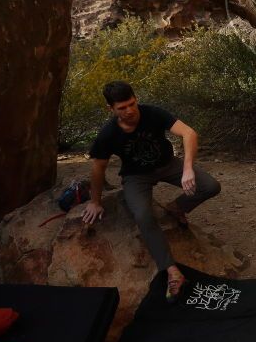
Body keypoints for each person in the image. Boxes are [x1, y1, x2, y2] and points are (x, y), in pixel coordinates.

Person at [81, 81, 221, 302]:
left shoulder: (152, 113)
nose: (129, 111)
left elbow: (189, 133)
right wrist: (95, 201)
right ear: (111, 109)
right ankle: (171, 270)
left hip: (168, 165)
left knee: (211, 186)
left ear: (136, 99)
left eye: (132, 104)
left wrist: (187, 169)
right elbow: (98, 168)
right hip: (136, 177)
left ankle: (177, 208)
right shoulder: (108, 134)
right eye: (122, 108)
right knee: (144, 215)